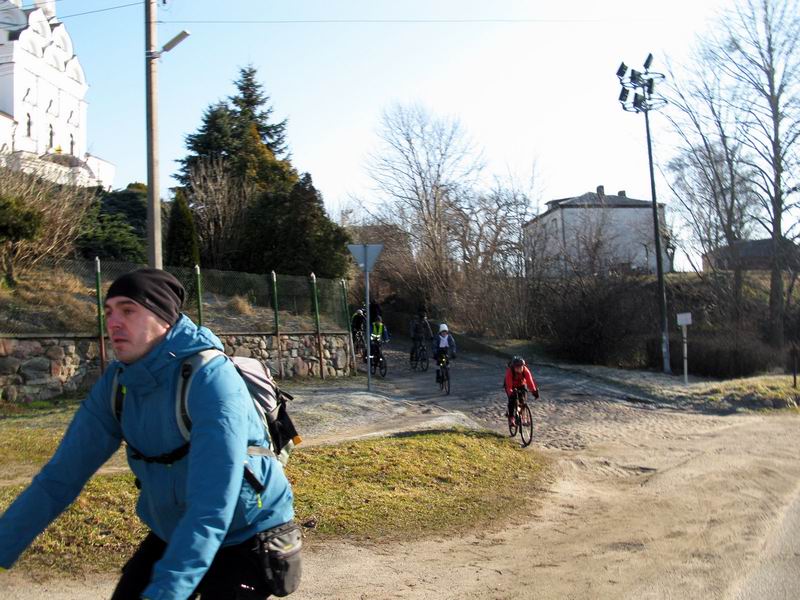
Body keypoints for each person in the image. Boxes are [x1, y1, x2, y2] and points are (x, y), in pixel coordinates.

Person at [0, 268, 296, 600]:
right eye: (109, 311)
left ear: (164, 320)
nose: (113, 322)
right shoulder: (117, 384)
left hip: (247, 530)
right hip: (175, 528)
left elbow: (211, 506)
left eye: (128, 310)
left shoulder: (211, 379)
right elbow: (58, 479)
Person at [504, 355, 539, 427]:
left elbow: (530, 381)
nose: (520, 369)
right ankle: (511, 419)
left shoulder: (525, 370)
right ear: (513, 367)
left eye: (521, 367)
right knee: (512, 400)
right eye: (517, 367)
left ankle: (523, 419)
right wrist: (511, 393)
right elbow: (508, 386)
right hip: (511, 386)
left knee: (523, 401)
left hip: (521, 385)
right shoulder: (510, 372)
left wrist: (534, 391)